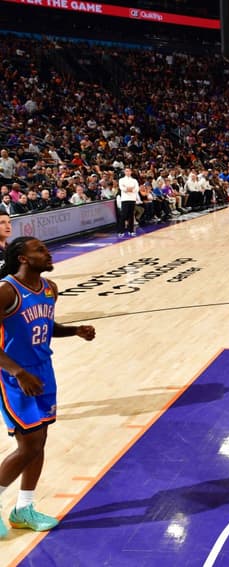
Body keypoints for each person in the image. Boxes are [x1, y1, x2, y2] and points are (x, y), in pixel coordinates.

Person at [0, 237, 96, 536]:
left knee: (38, 442)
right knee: (29, 445)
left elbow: (45, 324)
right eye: (39, 250)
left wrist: (74, 331)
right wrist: (17, 372)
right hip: (13, 376)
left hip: (43, 372)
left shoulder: (50, 288)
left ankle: (24, 509)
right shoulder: (5, 290)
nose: (47, 252)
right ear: (22, 258)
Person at [118, 167, 139, 237]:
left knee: (131, 215)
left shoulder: (134, 180)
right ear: (124, 172)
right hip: (125, 199)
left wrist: (128, 188)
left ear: (131, 172)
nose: (127, 172)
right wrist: (130, 188)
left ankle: (131, 230)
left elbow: (137, 189)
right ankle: (121, 231)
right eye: (126, 171)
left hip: (132, 199)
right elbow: (122, 188)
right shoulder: (121, 180)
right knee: (123, 215)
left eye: (129, 171)